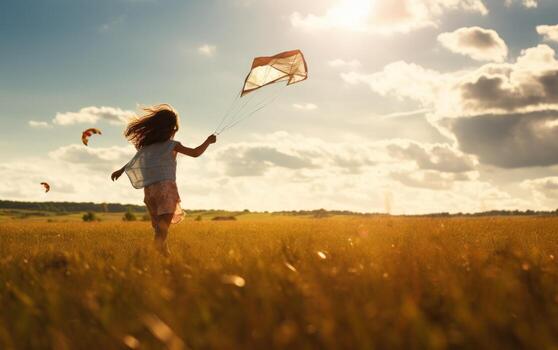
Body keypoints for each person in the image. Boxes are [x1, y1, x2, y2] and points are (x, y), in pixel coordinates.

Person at [111, 104, 216, 256]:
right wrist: (208, 141)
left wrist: (120, 170)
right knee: (162, 230)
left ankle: (164, 259)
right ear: (170, 129)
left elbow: (134, 160)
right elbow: (195, 153)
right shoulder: (172, 145)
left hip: (150, 192)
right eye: (175, 129)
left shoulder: (147, 147)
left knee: (160, 229)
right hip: (166, 189)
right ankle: (151, 253)